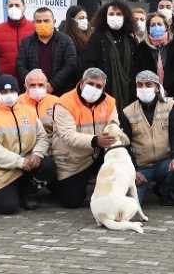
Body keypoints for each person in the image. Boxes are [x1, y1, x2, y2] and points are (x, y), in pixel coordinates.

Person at [50, 68, 129, 208]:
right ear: (81, 83)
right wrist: (95, 140)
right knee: (72, 202)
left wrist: (110, 134)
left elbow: (113, 125)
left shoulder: (110, 102)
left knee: (121, 153)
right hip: (72, 161)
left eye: (99, 86)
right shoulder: (64, 102)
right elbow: (68, 136)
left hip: (98, 154)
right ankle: (55, 184)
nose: (94, 88)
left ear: (104, 88)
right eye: (90, 84)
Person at [0, 74, 55, 214]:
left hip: (29, 163)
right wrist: (20, 162)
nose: (8, 95)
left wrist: (37, 155)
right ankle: (14, 192)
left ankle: (29, 192)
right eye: (4, 92)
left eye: (12, 92)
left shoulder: (29, 111)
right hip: (3, 169)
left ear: (18, 92)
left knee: (48, 165)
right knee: (8, 207)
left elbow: (42, 137)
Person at [119, 71, 174, 205]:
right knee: (133, 204)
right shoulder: (127, 112)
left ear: (157, 87)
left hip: (165, 163)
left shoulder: (170, 105)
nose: (143, 88)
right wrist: (132, 171)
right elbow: (124, 145)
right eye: (140, 85)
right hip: (141, 167)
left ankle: (164, 190)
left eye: (148, 85)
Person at [84, 1, 137, 110]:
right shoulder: (97, 38)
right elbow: (89, 63)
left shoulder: (131, 40)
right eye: (111, 14)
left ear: (125, 17)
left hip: (128, 95)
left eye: (119, 14)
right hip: (104, 92)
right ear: (105, 17)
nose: (115, 17)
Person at [16, 6, 78, 96]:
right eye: (39, 21)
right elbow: (20, 65)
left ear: (54, 22)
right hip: (34, 92)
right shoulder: (26, 42)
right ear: (33, 23)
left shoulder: (65, 40)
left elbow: (70, 64)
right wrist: (33, 83)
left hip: (60, 93)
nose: (42, 24)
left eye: (46, 21)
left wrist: (53, 84)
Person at [132, 12, 174, 101]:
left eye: (159, 24)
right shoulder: (142, 47)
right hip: (149, 95)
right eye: (153, 25)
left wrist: (167, 90)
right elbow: (138, 71)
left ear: (166, 27)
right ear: (148, 29)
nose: (156, 27)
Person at [0, 0, 35, 77]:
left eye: (17, 5)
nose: (14, 8)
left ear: (24, 7)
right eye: (11, 5)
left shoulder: (34, 28)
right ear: (6, 7)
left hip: (31, 80)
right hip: (5, 81)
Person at [22, 68, 59, 136]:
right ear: (25, 86)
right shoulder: (17, 103)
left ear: (46, 86)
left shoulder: (56, 102)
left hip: (52, 143)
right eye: (32, 85)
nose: (37, 88)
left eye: (40, 85)